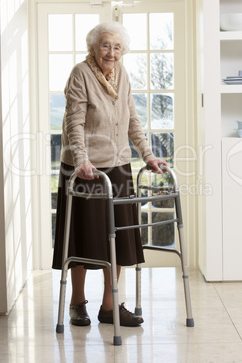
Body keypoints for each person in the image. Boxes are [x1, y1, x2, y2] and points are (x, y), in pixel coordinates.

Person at [52, 21, 169, 328]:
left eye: (117, 47)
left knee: (116, 237)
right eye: (106, 45)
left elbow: (132, 120)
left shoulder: (123, 75)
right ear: (93, 47)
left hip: (118, 166)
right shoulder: (81, 74)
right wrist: (81, 160)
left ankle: (110, 305)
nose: (112, 52)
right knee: (82, 236)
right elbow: (73, 123)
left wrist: (148, 155)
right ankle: (77, 302)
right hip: (84, 169)